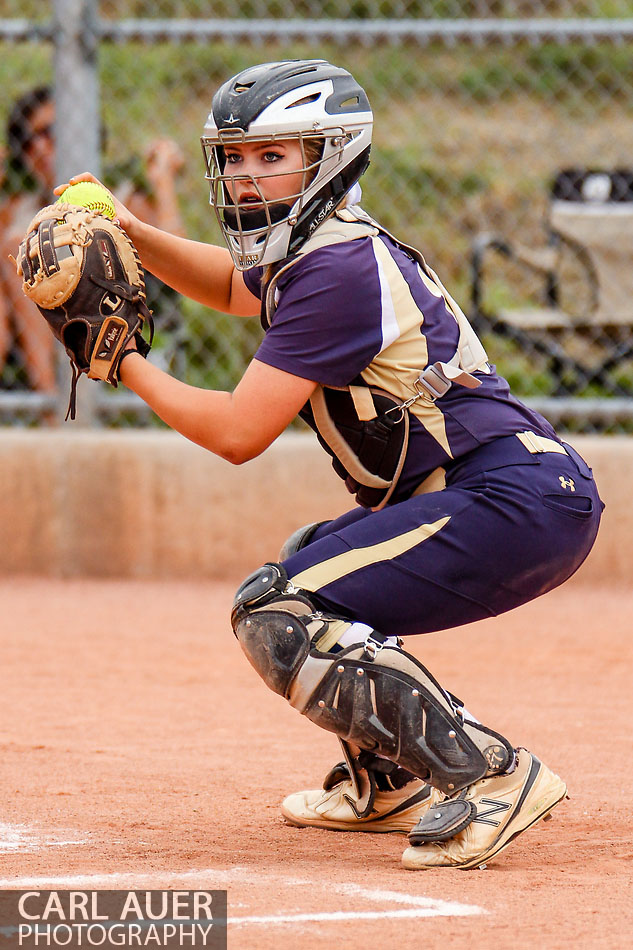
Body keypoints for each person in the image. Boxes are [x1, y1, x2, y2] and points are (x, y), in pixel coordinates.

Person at [56, 60, 603, 870]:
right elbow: (238, 288)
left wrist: (122, 362)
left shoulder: (337, 269)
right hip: (502, 490)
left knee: (280, 608)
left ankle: (490, 774)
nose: (246, 177)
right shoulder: (319, 249)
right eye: (235, 158)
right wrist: (128, 231)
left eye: (273, 157)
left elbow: (240, 433)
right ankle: (388, 782)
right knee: (302, 563)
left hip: (509, 496)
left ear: (333, 155)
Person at [0, 86, 185, 393]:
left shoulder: (121, 199)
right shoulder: (21, 209)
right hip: (40, 335)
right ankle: (51, 400)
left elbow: (178, 255)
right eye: (29, 141)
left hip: (119, 315)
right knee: (18, 245)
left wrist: (163, 182)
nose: (40, 148)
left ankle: (59, 406)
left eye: (51, 132)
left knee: (25, 246)